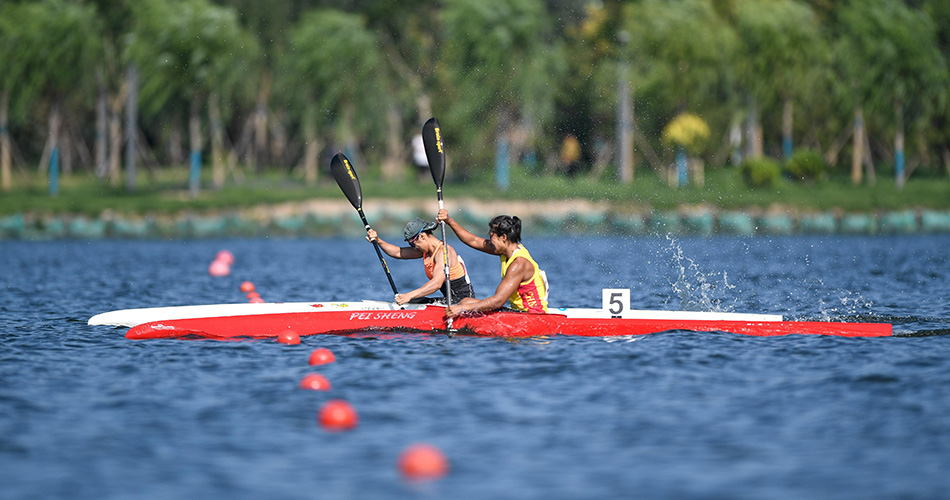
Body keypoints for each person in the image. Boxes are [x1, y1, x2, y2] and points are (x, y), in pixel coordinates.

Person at [436, 209, 548, 318]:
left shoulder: (519, 264)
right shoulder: (507, 250)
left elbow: (498, 301)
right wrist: (449, 221)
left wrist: (462, 309)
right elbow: (473, 240)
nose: (490, 242)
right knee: (466, 301)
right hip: (519, 312)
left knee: (465, 304)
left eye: (491, 237)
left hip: (532, 315)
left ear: (503, 237)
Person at [366, 217, 475, 305]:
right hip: (449, 301)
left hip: (464, 303)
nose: (413, 248)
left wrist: (409, 295)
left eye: (412, 243)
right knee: (412, 302)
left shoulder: (443, 252)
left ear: (422, 236)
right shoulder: (425, 251)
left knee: (411, 300)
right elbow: (398, 253)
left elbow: (436, 284)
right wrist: (378, 240)